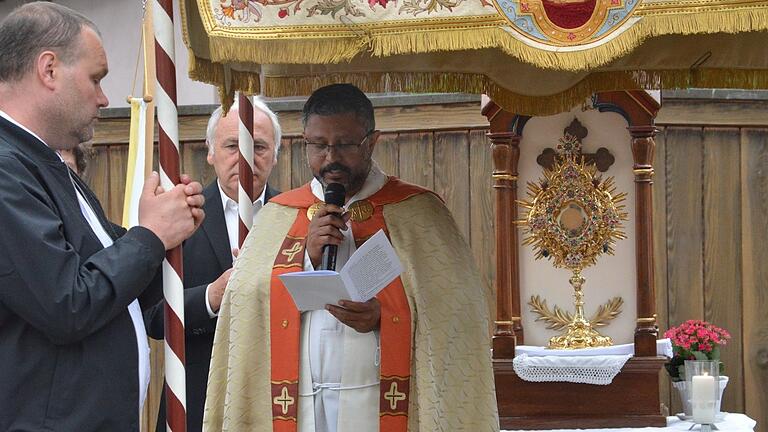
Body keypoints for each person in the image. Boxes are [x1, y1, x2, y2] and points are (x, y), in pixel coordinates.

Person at [204, 84, 499, 432]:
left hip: (381, 403)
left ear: (371, 142)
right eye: (319, 145)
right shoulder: (279, 214)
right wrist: (303, 256)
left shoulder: (418, 210)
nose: (331, 157)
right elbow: (244, 307)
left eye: (344, 144)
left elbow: (458, 310)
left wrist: (385, 316)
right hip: (297, 407)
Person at [0, 3, 205, 431]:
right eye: (95, 79)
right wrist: (150, 236)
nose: (104, 98)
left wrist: (168, 229)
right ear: (49, 69)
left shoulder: (42, 163)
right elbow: (67, 303)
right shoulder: (7, 167)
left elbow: (112, 274)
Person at [144, 98, 282, 432]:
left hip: (277, 398)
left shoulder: (294, 218)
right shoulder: (180, 218)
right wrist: (211, 297)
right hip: (196, 401)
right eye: (233, 145)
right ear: (210, 151)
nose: (246, 157)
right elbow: (154, 317)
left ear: (276, 154)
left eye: (259, 146)